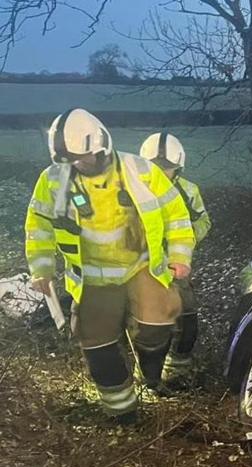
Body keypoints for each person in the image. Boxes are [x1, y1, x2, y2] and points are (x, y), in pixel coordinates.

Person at [25, 109, 194, 421]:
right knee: (95, 340)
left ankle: (151, 375)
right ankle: (123, 413)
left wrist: (180, 258)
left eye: (84, 157)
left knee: (156, 327)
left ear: (101, 146)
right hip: (92, 277)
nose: (79, 165)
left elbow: (177, 215)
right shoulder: (52, 181)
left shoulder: (141, 171)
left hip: (143, 266)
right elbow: (39, 227)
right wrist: (41, 269)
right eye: (71, 159)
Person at [140, 132, 209, 380]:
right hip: (139, 267)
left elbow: (203, 221)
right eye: (156, 166)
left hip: (174, 267)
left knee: (187, 317)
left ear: (178, 167)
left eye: (167, 167)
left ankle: (177, 371)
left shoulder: (188, 191)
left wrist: (185, 239)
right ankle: (144, 374)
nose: (161, 172)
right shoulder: (130, 192)